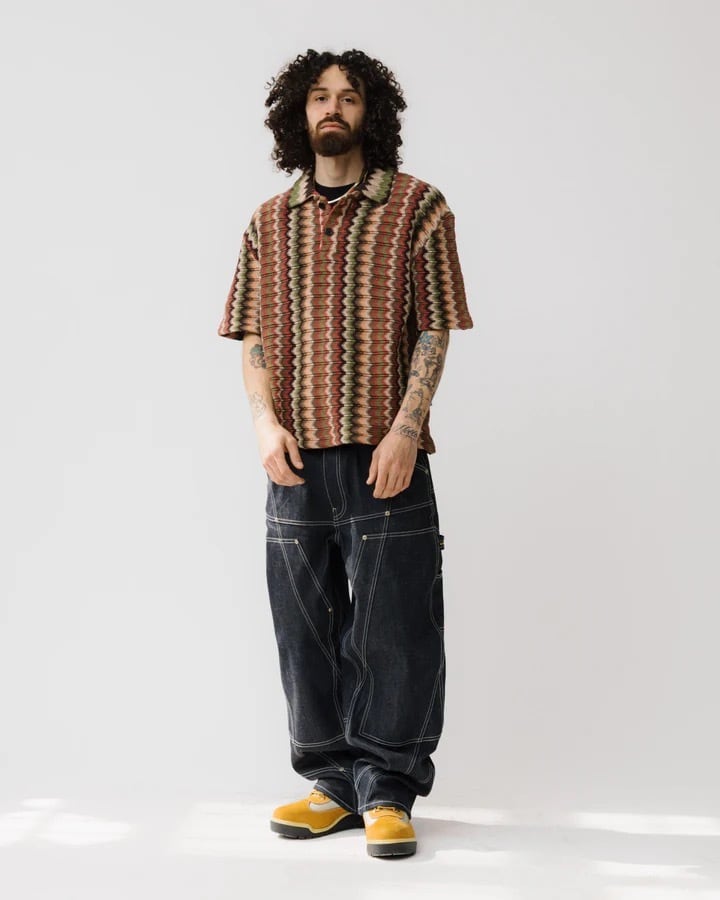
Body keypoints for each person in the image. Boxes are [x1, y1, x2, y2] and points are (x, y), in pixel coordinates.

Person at [218, 48, 473, 858]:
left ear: (372, 113)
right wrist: (264, 425)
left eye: (349, 97)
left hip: (384, 455)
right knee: (305, 629)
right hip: (293, 461)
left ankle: (387, 789)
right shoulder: (268, 222)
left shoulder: (418, 207)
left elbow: (434, 327)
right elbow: (252, 333)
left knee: (396, 629)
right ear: (298, 113)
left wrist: (406, 428)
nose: (333, 108)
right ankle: (331, 784)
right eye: (319, 97)